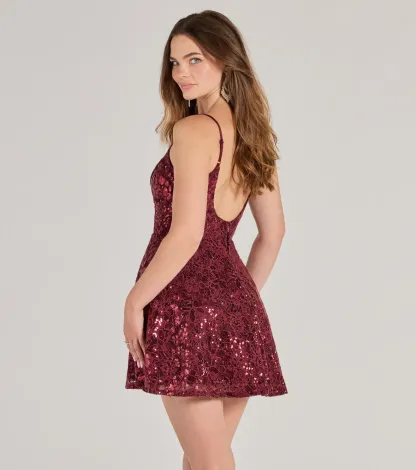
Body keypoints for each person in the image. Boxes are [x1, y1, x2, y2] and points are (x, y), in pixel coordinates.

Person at [123, 10, 288, 470]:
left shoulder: (194, 130)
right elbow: (273, 233)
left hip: (183, 309)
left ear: (225, 60)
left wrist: (135, 300)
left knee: (210, 464)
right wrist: (236, 305)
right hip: (237, 311)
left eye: (195, 59)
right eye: (175, 62)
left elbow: (187, 233)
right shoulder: (254, 136)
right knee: (202, 462)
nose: (181, 73)